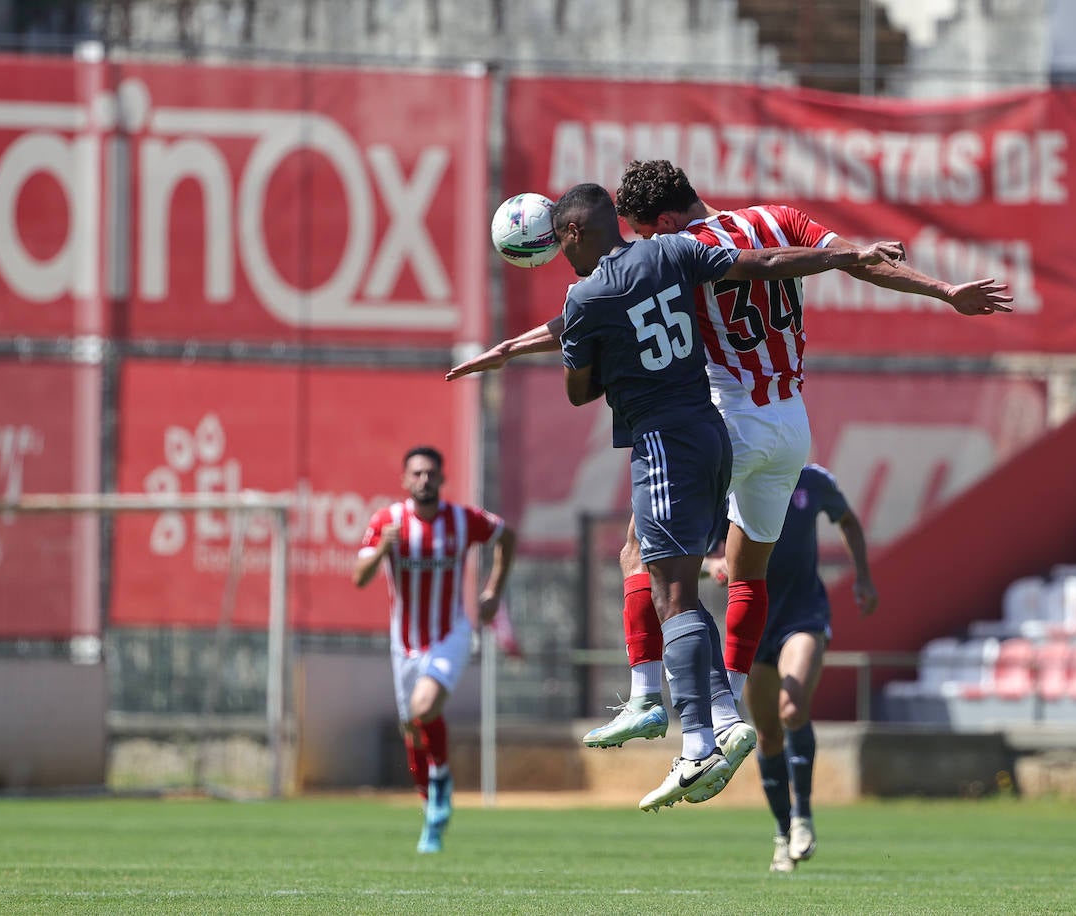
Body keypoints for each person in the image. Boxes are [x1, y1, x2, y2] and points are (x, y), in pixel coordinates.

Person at [448, 160, 1009, 780]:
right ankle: (729, 705)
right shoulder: (778, 217)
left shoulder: (676, 249)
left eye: (642, 231)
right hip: (791, 425)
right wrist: (945, 292)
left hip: (722, 420)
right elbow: (858, 260)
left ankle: (664, 705)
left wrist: (510, 348)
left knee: (645, 557)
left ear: (660, 222)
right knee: (747, 573)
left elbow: (589, 314)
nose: (638, 243)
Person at [548, 181, 906, 811]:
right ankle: (719, 704)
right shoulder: (672, 255)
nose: (555, 254)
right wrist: (851, 256)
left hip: (676, 435)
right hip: (773, 423)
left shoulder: (589, 294)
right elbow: (766, 262)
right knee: (739, 573)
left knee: (662, 579)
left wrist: (593, 346)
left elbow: (580, 390)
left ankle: (680, 720)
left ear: (576, 233)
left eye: (555, 243)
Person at [701, 463, 876, 872]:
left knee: (792, 705)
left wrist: (863, 578)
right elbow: (704, 548)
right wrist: (713, 563)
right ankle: (782, 833)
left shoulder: (813, 479)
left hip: (804, 613)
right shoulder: (731, 478)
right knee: (767, 735)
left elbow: (847, 520)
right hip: (753, 622)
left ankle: (803, 817)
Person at [353, 445, 517, 854]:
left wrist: (493, 590)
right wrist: (382, 551)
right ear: (405, 480)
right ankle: (431, 810)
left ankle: (441, 777)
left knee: (424, 708)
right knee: (412, 726)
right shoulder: (387, 522)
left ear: (442, 478)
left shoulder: (463, 520)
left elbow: (506, 536)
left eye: (431, 473)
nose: (424, 480)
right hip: (404, 642)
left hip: (450, 634)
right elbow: (359, 577)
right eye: (417, 474)